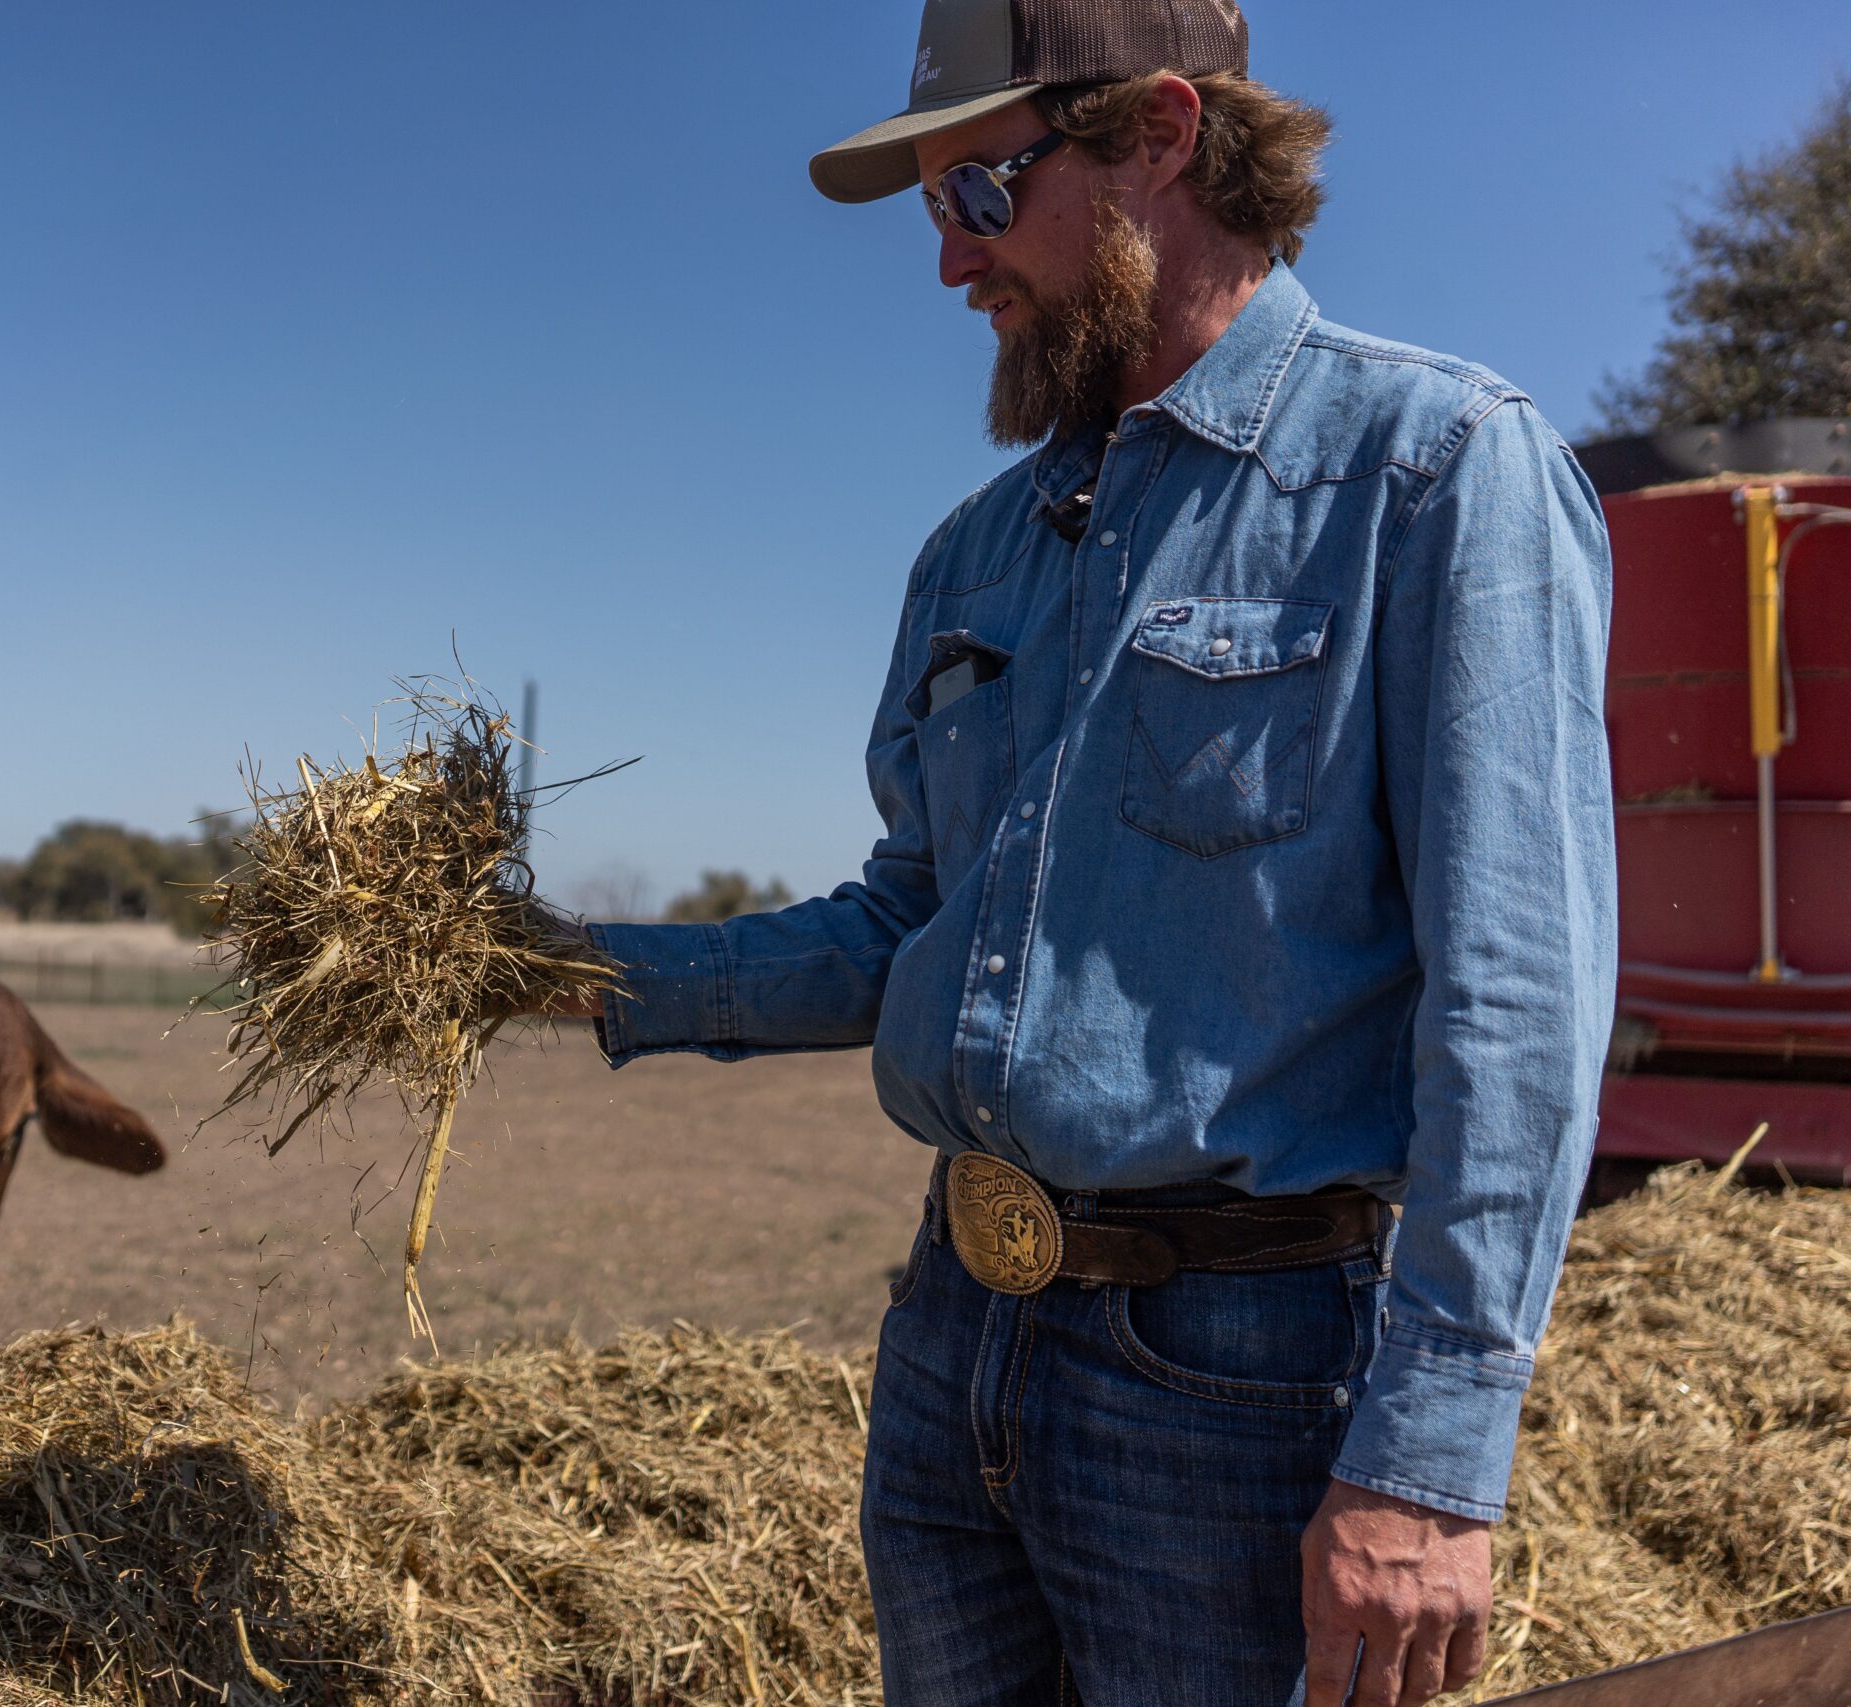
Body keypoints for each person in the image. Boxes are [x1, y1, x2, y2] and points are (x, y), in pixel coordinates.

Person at [545, 2, 1617, 1702]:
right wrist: (570, 970)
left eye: (978, 192)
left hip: (1241, 1384)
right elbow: (915, 918)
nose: (951, 265)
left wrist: (1426, 1464)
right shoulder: (977, 549)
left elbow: (1519, 1007)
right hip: (957, 1333)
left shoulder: (1437, 475)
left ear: (1163, 136)